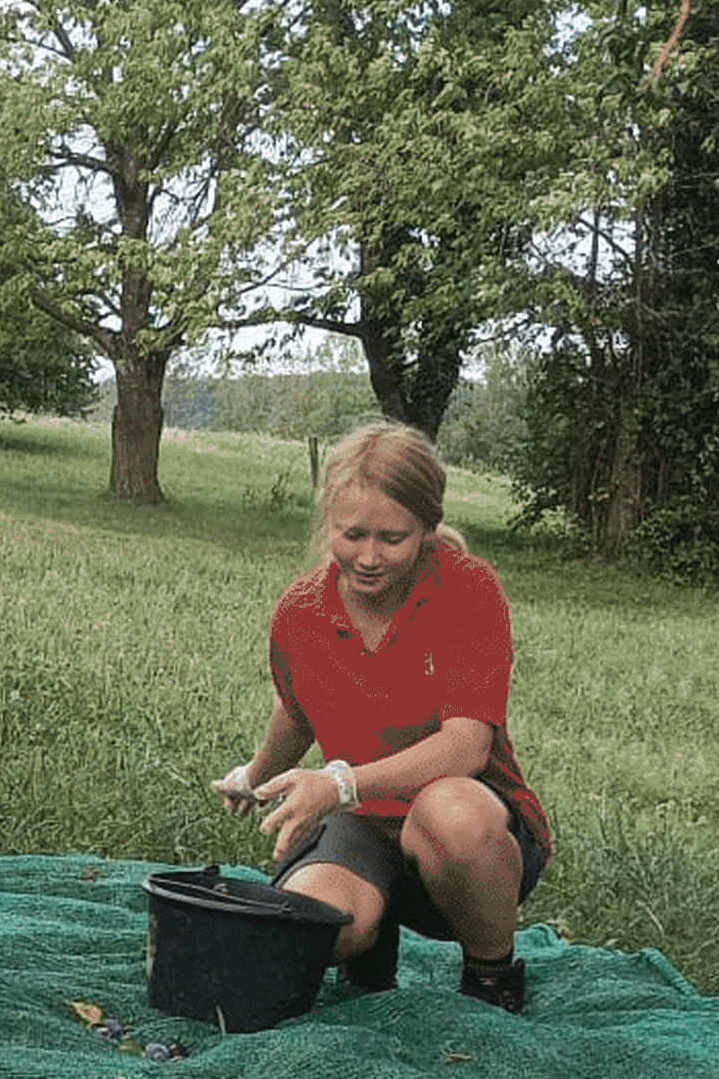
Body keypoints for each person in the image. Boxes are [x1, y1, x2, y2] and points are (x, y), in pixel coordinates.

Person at [217, 420, 551, 1014]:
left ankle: (490, 975)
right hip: (359, 824)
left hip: (463, 825)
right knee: (312, 927)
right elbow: (296, 715)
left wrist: (339, 783)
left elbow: (467, 747)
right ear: (329, 525)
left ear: (425, 529)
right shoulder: (299, 611)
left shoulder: (468, 590)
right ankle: (368, 948)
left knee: (449, 811)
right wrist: (254, 775)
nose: (368, 558)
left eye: (392, 539)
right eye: (353, 535)